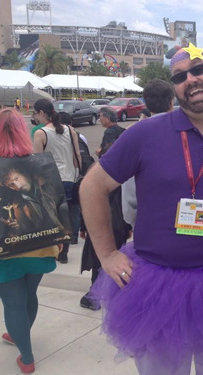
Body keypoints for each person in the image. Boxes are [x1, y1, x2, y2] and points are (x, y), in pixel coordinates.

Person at [79, 42, 203, 374]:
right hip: (154, 284)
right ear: (175, 88)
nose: (190, 80)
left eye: (197, 70)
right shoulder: (145, 133)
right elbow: (92, 187)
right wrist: (106, 254)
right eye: (180, 76)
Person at [0, 108, 61, 374]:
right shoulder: (39, 164)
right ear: (23, 131)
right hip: (40, 244)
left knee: (13, 303)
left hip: (1, 248)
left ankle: (27, 357)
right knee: (29, 296)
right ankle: (19, 334)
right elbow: (54, 204)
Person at [79, 107, 131, 311]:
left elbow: (90, 197)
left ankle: (95, 294)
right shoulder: (125, 135)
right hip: (121, 214)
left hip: (107, 214)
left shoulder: (100, 179)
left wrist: (83, 226)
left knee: (99, 257)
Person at [32, 99, 81, 264]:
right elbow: (77, 156)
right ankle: (64, 252)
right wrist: (76, 174)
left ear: (41, 113)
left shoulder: (40, 134)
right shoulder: (69, 129)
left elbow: (38, 163)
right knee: (65, 215)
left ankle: (54, 249)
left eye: (35, 113)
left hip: (50, 181)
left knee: (52, 217)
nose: (34, 117)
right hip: (69, 178)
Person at [122, 79, 175, 226]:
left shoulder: (134, 134)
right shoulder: (187, 132)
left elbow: (129, 188)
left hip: (147, 222)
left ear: (145, 103)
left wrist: (134, 221)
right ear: (171, 102)